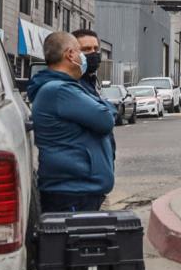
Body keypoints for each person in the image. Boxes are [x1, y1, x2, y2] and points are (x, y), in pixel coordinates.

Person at [27, 32, 116, 213]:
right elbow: (106, 119)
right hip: (73, 193)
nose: (86, 57)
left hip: (77, 190)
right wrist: (105, 106)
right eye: (81, 52)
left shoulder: (64, 88)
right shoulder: (60, 90)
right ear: (70, 55)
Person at [71, 28, 103, 97]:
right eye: (87, 49)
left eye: (96, 48)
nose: (93, 52)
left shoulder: (90, 80)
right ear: (71, 53)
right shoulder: (71, 85)